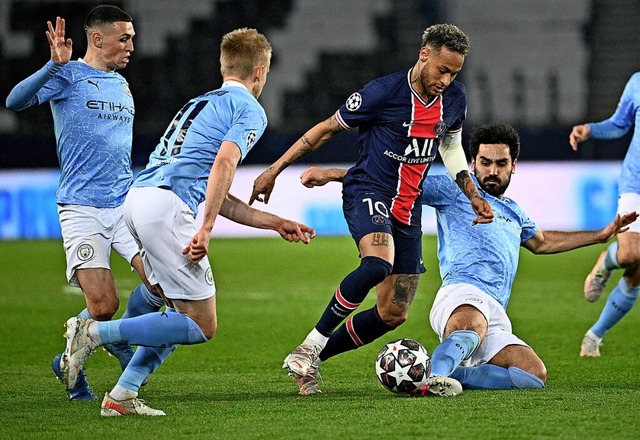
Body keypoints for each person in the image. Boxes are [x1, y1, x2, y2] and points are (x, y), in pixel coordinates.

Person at [60, 27, 316, 416]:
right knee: (200, 324)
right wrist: (206, 228)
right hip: (164, 209)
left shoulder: (199, 102)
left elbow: (214, 187)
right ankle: (94, 333)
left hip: (139, 199)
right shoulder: (248, 109)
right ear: (261, 71)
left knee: (170, 305)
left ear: (222, 65)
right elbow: (224, 164)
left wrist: (273, 221)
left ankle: (123, 395)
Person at [300, 121, 637, 396]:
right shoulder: (455, 190)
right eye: (485, 162)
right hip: (461, 293)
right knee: (471, 327)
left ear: (513, 166)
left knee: (533, 375)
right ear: (473, 162)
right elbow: (396, 180)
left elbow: (544, 242)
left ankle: (449, 372)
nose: (492, 170)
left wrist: (601, 235)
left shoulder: (515, 213)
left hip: (495, 312)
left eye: (501, 163)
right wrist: (334, 174)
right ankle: (433, 382)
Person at [249, 23, 494, 396]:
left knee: (393, 313)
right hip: (368, 190)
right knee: (377, 262)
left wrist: (472, 192)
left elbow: (451, 145)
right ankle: (309, 343)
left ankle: (313, 360)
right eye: (442, 69)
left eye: (454, 72)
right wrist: (274, 170)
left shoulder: (455, 98)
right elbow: (326, 129)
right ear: (424, 53)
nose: (447, 79)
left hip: (408, 209)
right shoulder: (383, 92)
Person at [5, 5, 164, 401]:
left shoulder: (121, 85)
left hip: (124, 204)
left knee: (163, 286)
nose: (131, 46)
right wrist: (51, 66)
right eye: (124, 38)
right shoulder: (69, 75)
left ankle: (111, 339)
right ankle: (73, 358)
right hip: (83, 208)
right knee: (104, 304)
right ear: (98, 38)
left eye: (133, 38)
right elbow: (14, 101)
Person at [569, 72, 640, 357]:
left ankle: (595, 335)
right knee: (631, 255)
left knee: (638, 273)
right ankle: (608, 259)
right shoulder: (637, 81)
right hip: (636, 183)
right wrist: (591, 130)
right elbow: (620, 123)